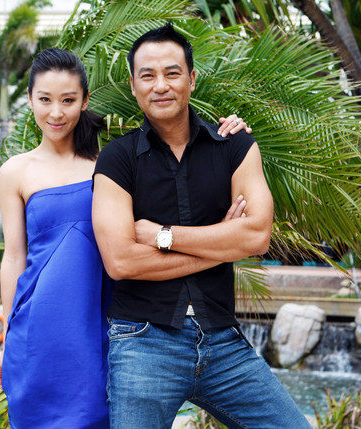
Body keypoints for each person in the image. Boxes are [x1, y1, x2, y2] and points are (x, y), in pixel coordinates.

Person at [0, 47, 250, 428]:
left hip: (103, 329)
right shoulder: (15, 171)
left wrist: (225, 136)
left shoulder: (113, 164)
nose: (56, 112)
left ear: (85, 101)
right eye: (45, 100)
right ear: (30, 99)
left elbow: (176, 174)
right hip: (37, 332)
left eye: (68, 100)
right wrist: (6, 338)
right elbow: (15, 257)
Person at [92, 24, 311, 429]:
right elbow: (121, 262)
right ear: (134, 85)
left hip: (222, 339)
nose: (161, 85)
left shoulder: (236, 146)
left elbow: (257, 235)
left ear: (191, 79)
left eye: (172, 73)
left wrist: (162, 236)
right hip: (143, 341)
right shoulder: (116, 159)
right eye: (148, 75)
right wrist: (222, 244)